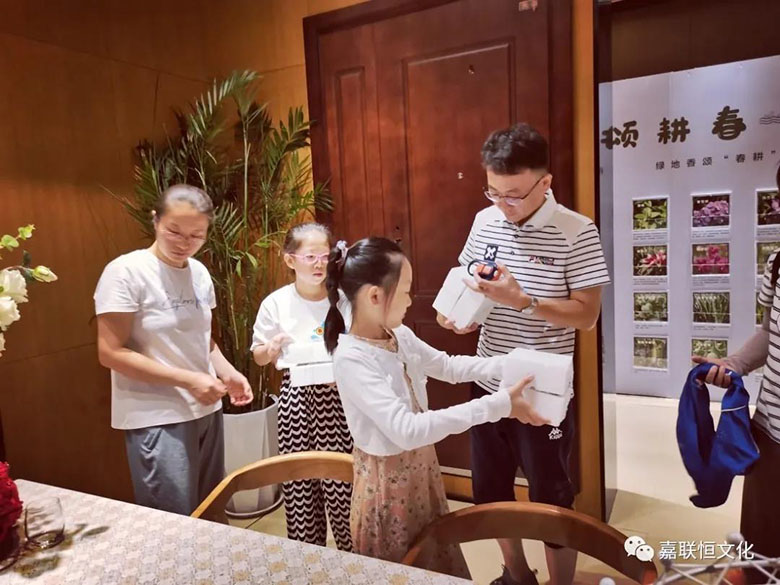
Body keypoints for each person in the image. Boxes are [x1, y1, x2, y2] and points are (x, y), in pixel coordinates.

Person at [438, 123, 611, 585]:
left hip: (542, 392)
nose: (502, 204)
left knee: (552, 496)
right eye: (493, 192)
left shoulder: (577, 231)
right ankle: (516, 574)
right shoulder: (485, 220)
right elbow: (468, 278)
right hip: (489, 380)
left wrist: (524, 301)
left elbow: (586, 315)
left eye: (513, 195)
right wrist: (458, 314)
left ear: (545, 182)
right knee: (490, 491)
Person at [325, 236, 543, 578]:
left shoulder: (397, 334)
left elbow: (448, 366)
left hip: (421, 469)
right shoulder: (352, 358)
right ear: (375, 296)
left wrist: (509, 364)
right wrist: (498, 404)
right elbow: (407, 430)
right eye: (406, 290)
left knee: (435, 556)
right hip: (388, 485)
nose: (411, 299)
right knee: (405, 568)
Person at [95, 184, 253, 515]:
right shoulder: (126, 272)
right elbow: (110, 353)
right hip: (157, 416)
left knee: (212, 511)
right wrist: (189, 380)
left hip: (206, 410)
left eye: (196, 236)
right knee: (175, 519)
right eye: (174, 231)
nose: (184, 243)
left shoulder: (199, 273)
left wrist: (227, 372)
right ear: (155, 220)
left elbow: (202, 338)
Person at [692, 165, 780, 576]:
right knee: (759, 553)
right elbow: (769, 333)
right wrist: (732, 364)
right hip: (771, 430)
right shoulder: (778, 262)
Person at [251, 222, 353, 551]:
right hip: (296, 399)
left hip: (340, 399)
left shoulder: (344, 299)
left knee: (344, 485)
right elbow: (259, 356)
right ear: (290, 259)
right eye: (310, 257)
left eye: (325, 256)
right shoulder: (276, 302)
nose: (319, 264)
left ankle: (355, 558)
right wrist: (271, 348)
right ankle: (306, 559)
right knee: (300, 485)